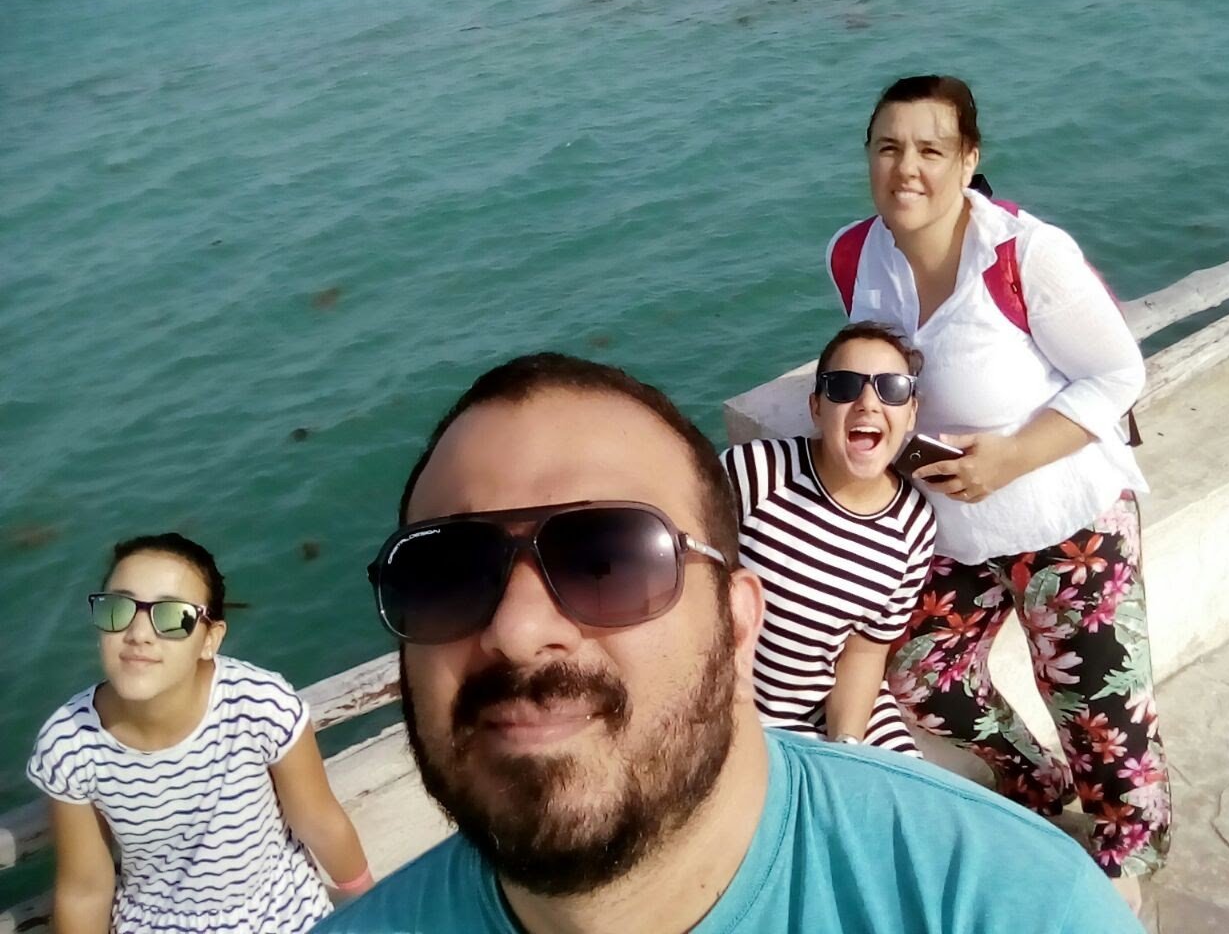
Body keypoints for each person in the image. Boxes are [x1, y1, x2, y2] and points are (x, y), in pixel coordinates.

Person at [315, 351, 1141, 933]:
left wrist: (848, 735)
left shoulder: (1008, 905)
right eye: (446, 573)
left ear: (739, 620)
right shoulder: (761, 473)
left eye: (609, 559)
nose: (517, 630)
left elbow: (866, 651)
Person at [827, 74, 1171, 909]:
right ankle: (1036, 785)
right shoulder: (853, 255)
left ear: (968, 157)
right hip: (953, 528)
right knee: (918, 670)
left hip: (1070, 521)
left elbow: (1118, 373)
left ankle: (1127, 857)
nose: (907, 168)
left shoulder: (1025, 253)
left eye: (931, 149)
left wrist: (1012, 457)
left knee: (1099, 712)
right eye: (888, 147)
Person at [27, 533, 373, 933]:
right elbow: (85, 889)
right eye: (118, 608)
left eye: (172, 617)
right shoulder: (70, 744)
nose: (138, 633)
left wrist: (374, 905)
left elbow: (319, 821)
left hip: (284, 914)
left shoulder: (258, 704)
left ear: (210, 639)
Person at [721, 322, 934, 754]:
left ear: (911, 412)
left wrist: (846, 747)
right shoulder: (755, 473)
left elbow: (864, 652)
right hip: (731, 707)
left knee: (907, 791)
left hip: (837, 708)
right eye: (844, 386)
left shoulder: (914, 526)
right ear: (817, 407)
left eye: (892, 388)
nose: (868, 403)